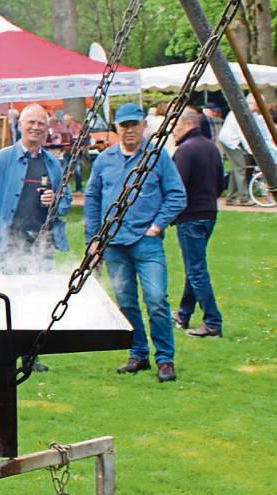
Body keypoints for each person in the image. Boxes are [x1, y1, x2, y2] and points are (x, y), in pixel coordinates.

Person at [84, 103, 186, 382]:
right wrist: (94, 239)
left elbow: (177, 194)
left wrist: (157, 225)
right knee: (126, 302)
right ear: (116, 129)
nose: (129, 130)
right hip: (114, 243)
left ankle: (165, 359)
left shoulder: (157, 157)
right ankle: (138, 353)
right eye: (123, 125)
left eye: (134, 124)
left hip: (146, 242)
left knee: (156, 299)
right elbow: (92, 200)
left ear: (143, 125)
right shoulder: (104, 160)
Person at [0, 104, 71, 273]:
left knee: (42, 296)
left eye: (41, 124)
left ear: (46, 128)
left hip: (43, 246)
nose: (36, 127)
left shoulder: (53, 164)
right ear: (20, 125)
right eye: (31, 122)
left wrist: (55, 201)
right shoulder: (2, 159)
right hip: (10, 243)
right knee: (7, 294)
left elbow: (66, 200)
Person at [171, 107, 224, 339]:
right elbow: (221, 183)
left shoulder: (185, 150)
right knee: (195, 266)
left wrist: (169, 215)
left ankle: (212, 321)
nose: (173, 131)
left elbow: (176, 187)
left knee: (196, 270)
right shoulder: (212, 148)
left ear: (188, 124)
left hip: (190, 216)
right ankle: (183, 314)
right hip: (209, 213)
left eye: (175, 125)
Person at [217, 94, 273, 206]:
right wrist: (251, 150)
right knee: (241, 168)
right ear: (254, 103)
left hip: (234, 141)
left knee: (236, 169)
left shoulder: (252, 113)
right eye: (260, 103)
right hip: (231, 141)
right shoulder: (242, 112)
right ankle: (244, 198)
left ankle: (231, 197)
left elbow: (259, 129)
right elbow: (244, 134)